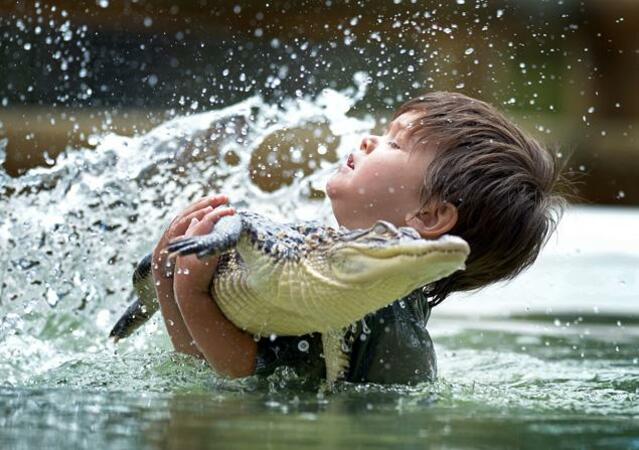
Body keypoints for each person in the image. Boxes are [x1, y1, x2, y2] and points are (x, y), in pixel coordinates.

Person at [151, 92, 565, 385]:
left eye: (395, 143)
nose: (369, 140)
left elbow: (250, 380)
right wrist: (165, 274)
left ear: (429, 216)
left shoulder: (373, 306)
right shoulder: (335, 266)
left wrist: (188, 291)